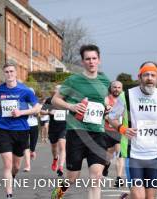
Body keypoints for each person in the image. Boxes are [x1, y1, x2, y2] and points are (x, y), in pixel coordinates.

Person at [108, 61, 157, 199]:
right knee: (139, 197)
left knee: (150, 198)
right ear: (139, 77)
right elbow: (111, 117)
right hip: (133, 155)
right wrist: (122, 128)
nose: (149, 78)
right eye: (146, 75)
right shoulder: (127, 96)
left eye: (153, 75)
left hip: (154, 155)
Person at [51, 44, 110, 199]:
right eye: (88, 59)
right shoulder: (73, 80)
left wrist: (107, 108)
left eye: (94, 58)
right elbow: (55, 100)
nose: (91, 62)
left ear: (99, 60)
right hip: (76, 134)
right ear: (82, 62)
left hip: (97, 134)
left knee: (96, 178)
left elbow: (103, 101)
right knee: (72, 178)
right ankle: (56, 195)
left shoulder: (104, 80)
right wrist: (71, 106)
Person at [0, 63, 40, 199]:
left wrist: (21, 112)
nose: (9, 74)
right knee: (7, 163)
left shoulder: (25, 90)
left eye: (11, 71)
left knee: (16, 166)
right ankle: (9, 194)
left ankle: (13, 176)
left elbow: (37, 108)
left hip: (21, 130)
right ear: (3, 74)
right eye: (6, 72)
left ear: (16, 73)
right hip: (4, 130)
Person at [102, 81, 125, 188]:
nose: (116, 89)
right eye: (114, 87)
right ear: (111, 88)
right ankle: (106, 167)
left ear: (121, 89)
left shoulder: (125, 100)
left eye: (119, 87)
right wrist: (107, 113)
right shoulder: (106, 100)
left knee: (120, 154)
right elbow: (103, 115)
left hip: (120, 131)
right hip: (108, 131)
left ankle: (119, 178)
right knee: (108, 156)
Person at [45, 85, 67, 177]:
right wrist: (49, 112)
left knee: (62, 146)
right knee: (54, 148)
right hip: (53, 128)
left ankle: (61, 167)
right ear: (55, 91)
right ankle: (55, 159)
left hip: (64, 127)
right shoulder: (49, 100)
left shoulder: (66, 100)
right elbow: (41, 111)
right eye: (57, 90)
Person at [23, 88, 40, 172]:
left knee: (32, 147)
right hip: (24, 126)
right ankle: (27, 165)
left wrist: (35, 112)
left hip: (34, 125)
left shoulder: (35, 103)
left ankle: (33, 151)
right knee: (26, 146)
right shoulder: (22, 102)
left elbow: (38, 115)